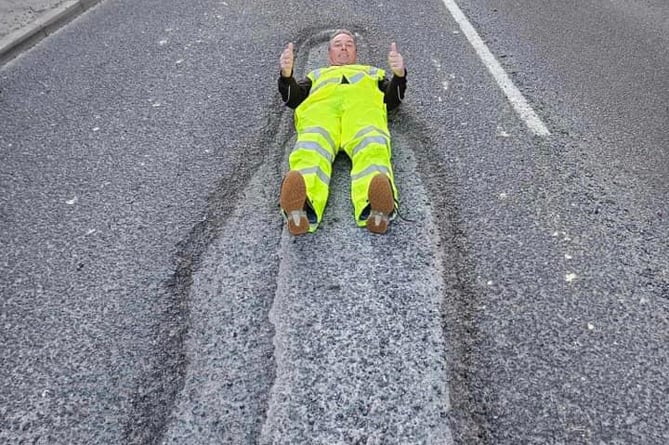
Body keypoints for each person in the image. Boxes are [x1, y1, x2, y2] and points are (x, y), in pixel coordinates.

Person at [278, 29, 407, 235]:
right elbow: (293, 99)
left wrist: (399, 76)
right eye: (338, 44)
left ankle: (375, 210)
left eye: (349, 44)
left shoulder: (372, 73)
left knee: (372, 145)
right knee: (311, 148)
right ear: (330, 54)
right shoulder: (316, 75)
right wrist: (287, 76)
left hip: (362, 115)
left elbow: (392, 101)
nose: (344, 47)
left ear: (355, 52)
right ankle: (300, 209)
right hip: (321, 116)